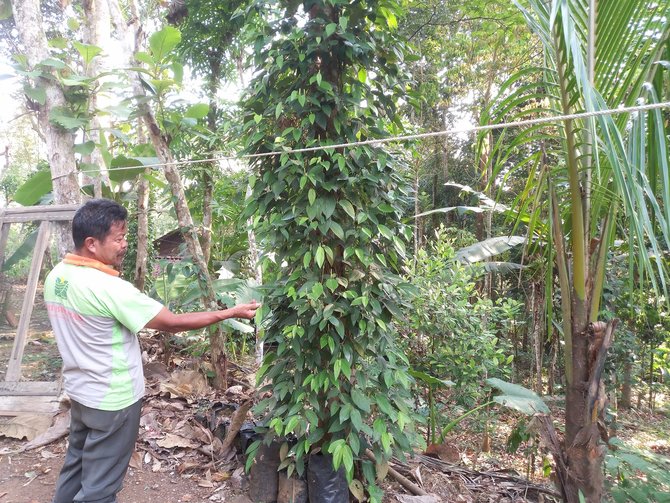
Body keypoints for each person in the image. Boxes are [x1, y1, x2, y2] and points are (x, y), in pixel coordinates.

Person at [44, 198, 260, 503]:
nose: (124, 245)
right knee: (100, 488)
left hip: (81, 393)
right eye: (118, 239)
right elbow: (171, 323)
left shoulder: (57, 276)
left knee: (76, 465)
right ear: (91, 244)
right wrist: (228, 313)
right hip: (113, 400)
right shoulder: (108, 287)